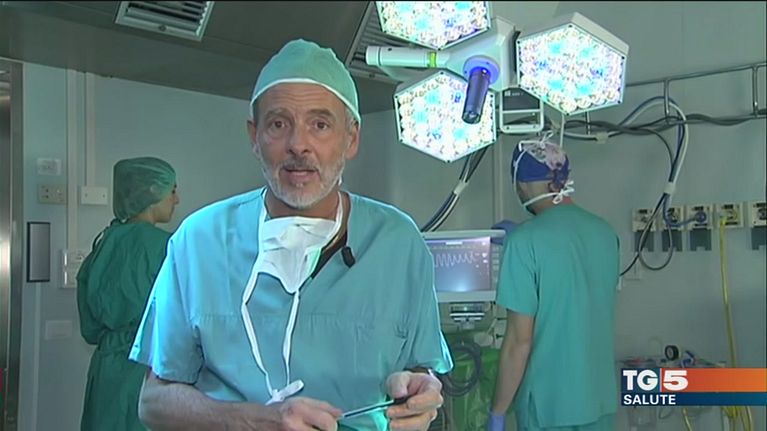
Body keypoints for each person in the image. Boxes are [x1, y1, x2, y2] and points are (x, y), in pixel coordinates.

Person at [129, 38, 453, 431]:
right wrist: (256, 421)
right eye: (279, 124)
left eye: (320, 125)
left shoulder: (398, 243)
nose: (299, 145)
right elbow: (154, 401)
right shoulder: (199, 242)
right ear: (255, 137)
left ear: (351, 138)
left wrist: (419, 391)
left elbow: (421, 368)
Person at [487, 135, 619, 431]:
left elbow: (519, 343)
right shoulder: (605, 234)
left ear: (521, 185)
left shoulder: (524, 242)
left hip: (549, 407)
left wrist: (498, 411)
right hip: (600, 401)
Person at [77, 156, 179, 431]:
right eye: (172, 191)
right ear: (152, 192)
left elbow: (89, 329)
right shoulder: (167, 247)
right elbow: (184, 319)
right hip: (148, 370)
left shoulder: (104, 243)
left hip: (106, 369)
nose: (177, 199)